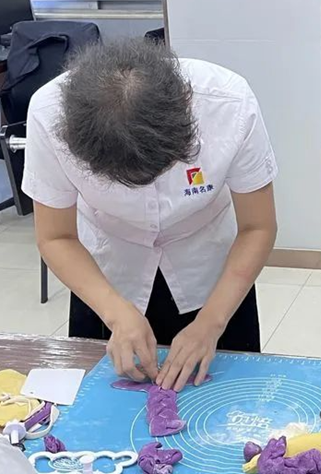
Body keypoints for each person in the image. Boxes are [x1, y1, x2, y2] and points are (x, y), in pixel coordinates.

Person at [22, 40, 278, 391]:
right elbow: (55, 236)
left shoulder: (229, 104)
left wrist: (211, 323)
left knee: (228, 400)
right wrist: (115, 313)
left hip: (214, 276)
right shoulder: (49, 113)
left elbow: (257, 227)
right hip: (106, 274)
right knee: (105, 406)